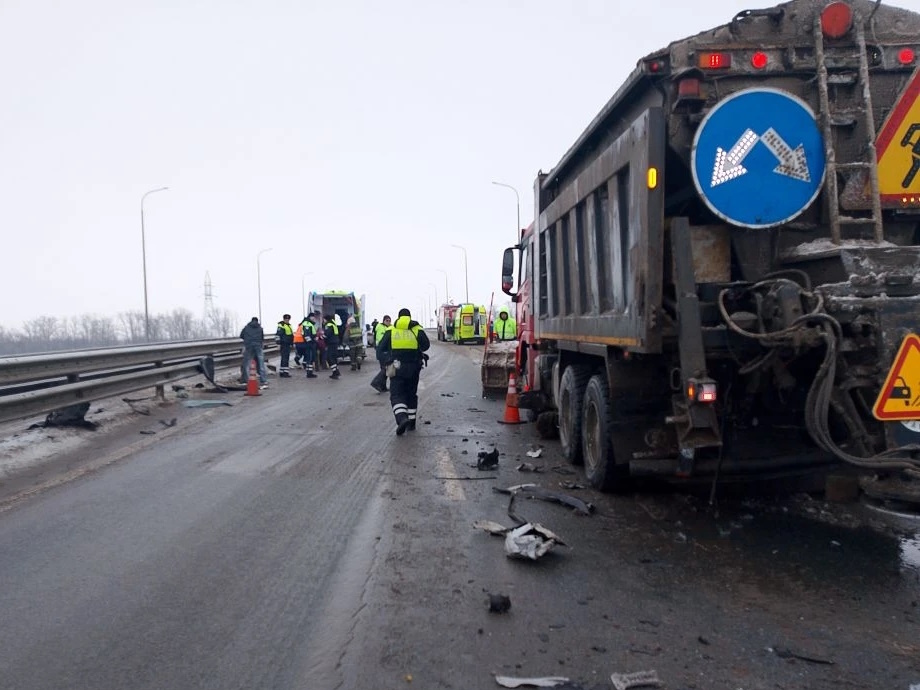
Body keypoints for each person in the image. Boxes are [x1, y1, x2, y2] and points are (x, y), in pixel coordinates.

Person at [377, 308, 430, 435]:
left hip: (397, 367)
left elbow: (380, 350)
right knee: (411, 394)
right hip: (414, 367)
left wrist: (387, 361)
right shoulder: (417, 329)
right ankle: (411, 423)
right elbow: (426, 346)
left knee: (397, 394)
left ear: (399, 317)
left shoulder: (391, 330)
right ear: (409, 317)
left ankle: (402, 418)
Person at [240, 317, 269, 389]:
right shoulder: (260, 328)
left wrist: (248, 340)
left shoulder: (246, 328)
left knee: (247, 363)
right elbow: (262, 338)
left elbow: (241, 336)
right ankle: (263, 380)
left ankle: (246, 380)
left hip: (249, 346)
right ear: (257, 321)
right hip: (258, 346)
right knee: (261, 363)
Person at [370, 314, 392, 393]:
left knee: (386, 368)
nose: (388, 322)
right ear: (383, 321)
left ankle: (383, 386)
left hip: (385, 350)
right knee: (385, 368)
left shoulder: (388, 328)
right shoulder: (380, 328)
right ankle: (376, 383)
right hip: (382, 350)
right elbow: (380, 339)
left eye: (389, 321)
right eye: (387, 320)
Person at [298, 313, 319, 378]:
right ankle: (309, 373)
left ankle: (310, 372)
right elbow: (306, 335)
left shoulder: (309, 323)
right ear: (310, 317)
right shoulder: (307, 324)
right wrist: (310, 343)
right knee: (309, 358)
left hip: (310, 343)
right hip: (309, 344)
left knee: (310, 358)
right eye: (313, 317)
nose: (314, 319)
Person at [324, 314, 341, 379]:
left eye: (324, 319)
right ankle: (335, 372)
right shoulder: (334, 324)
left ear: (326, 319)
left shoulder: (329, 325)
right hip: (335, 343)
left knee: (329, 358)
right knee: (333, 358)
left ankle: (336, 372)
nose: (323, 321)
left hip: (331, 343)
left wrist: (320, 337)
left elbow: (327, 334)